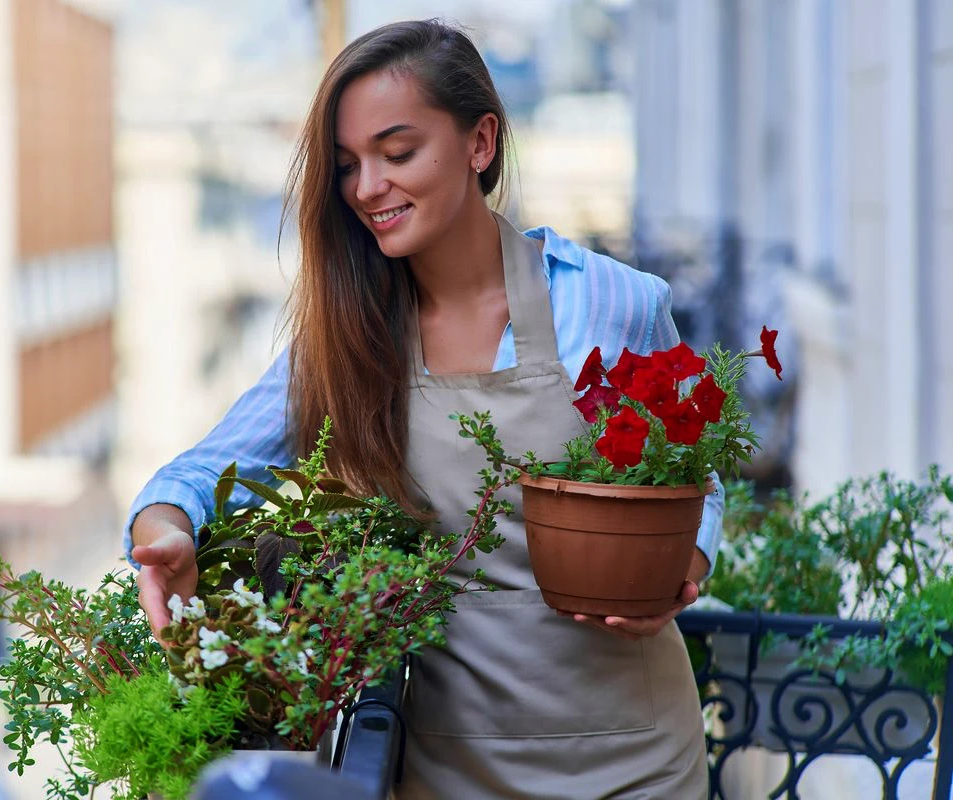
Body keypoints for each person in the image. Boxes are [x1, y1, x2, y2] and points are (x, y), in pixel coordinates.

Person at [125, 19, 722, 799]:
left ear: (480, 142)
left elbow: (699, 481)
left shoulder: (611, 301)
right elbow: (198, 473)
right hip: (451, 766)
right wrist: (165, 531)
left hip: (638, 758)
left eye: (397, 153)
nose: (367, 186)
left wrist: (685, 566)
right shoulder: (349, 341)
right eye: (348, 164)